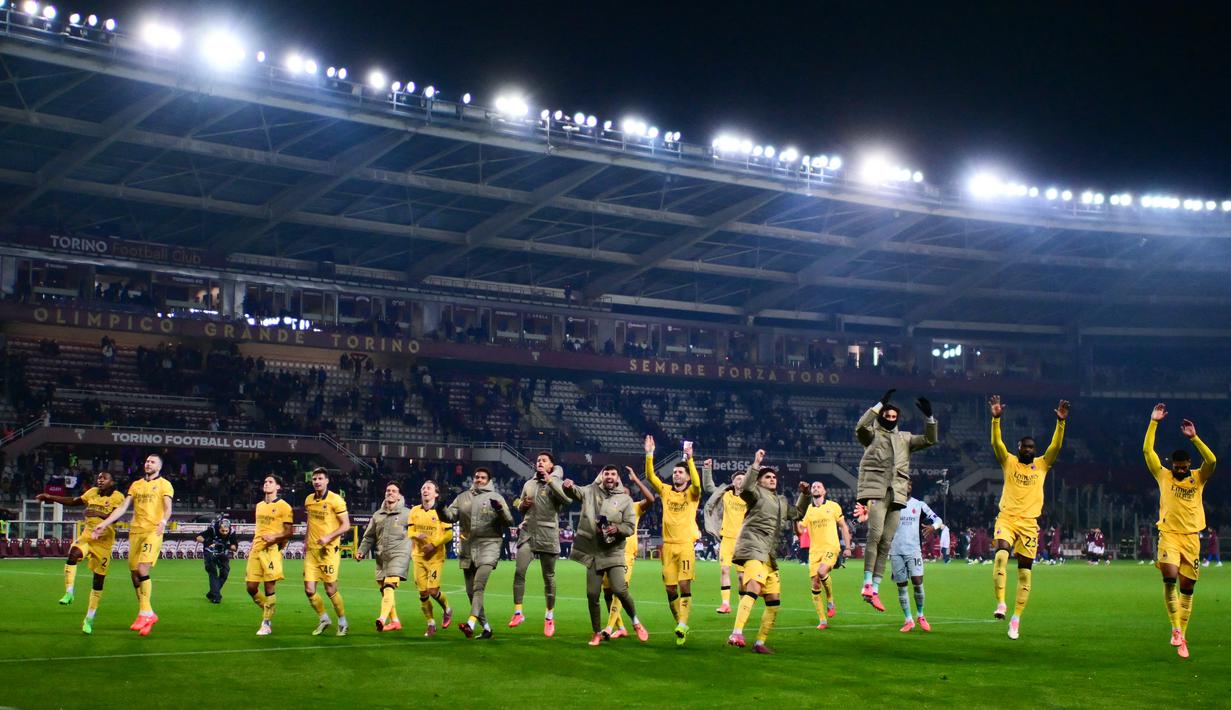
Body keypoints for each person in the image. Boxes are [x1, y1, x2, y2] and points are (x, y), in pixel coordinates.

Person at [989, 395, 1069, 640]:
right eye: (1025, 447)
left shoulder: (1042, 465)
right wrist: (996, 419)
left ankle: (1016, 618)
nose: (1028, 450)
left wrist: (1061, 423)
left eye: (1032, 448)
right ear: (1019, 448)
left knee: (1025, 572)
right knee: (1001, 554)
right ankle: (1001, 604)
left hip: (1029, 524)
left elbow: (1055, 448)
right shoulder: (1009, 462)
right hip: (1007, 518)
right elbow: (997, 444)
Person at [853, 389, 938, 611]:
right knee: (875, 535)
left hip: (897, 494)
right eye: (887, 416)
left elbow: (930, 439)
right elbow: (860, 427)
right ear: (881, 416)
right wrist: (879, 403)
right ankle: (866, 583)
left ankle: (875, 589)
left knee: (887, 542)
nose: (890, 419)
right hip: (877, 491)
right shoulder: (871, 435)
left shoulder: (905, 438)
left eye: (894, 417)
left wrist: (929, 418)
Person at [1144, 403, 1216, 659]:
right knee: (1169, 577)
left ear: (1189, 465)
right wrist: (1154, 423)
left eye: (1185, 466)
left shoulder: (1198, 477)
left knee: (1187, 589)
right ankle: (1175, 629)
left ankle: (1182, 635)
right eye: (1178, 466)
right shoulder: (1163, 476)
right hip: (1169, 536)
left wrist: (1195, 438)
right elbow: (1147, 451)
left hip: (1191, 539)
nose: (1181, 469)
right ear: (1172, 464)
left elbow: (1212, 460)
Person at [726, 450, 808, 654]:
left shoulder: (780, 500)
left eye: (774, 477)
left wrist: (804, 495)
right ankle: (736, 632)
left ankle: (760, 643)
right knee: (753, 586)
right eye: (767, 477)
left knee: (774, 602)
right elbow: (744, 487)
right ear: (760, 482)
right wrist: (755, 464)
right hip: (753, 547)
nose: (772, 479)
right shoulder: (754, 494)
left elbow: (797, 513)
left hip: (769, 554)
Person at [90, 453, 174, 636]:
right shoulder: (136, 485)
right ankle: (147, 613)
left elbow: (168, 507)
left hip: (153, 531)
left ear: (159, 467)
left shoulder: (164, 484)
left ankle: (145, 613)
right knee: (135, 574)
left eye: (152, 462)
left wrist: (163, 522)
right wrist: (104, 524)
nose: (148, 464)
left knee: (143, 569)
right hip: (135, 532)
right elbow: (122, 508)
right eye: (146, 461)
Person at [562, 465, 648, 646]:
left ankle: (635, 622)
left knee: (619, 589)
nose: (609, 476)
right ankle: (596, 632)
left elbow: (630, 526)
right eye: (606, 473)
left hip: (614, 551)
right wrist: (568, 486)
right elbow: (576, 492)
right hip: (594, 552)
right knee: (592, 594)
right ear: (601, 476)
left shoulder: (625, 499)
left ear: (617, 478)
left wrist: (617, 529)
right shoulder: (591, 491)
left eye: (613, 474)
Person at [36, 470, 125, 634]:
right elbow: (73, 501)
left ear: (112, 482)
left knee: (98, 583)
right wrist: (50, 497)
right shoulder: (92, 492)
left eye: (104, 478)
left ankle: (89, 620)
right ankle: (69, 592)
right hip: (87, 537)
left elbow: (117, 517)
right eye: (98, 477)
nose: (100, 480)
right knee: (73, 555)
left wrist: (98, 513)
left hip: (104, 544)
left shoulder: (118, 497)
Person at [438, 467, 514, 638]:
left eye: (483, 477)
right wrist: (441, 508)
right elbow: (450, 517)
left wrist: (500, 509)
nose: (479, 479)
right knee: (471, 592)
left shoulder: (496, 497)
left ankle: (470, 624)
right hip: (467, 547)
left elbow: (509, 521)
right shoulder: (463, 497)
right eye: (477, 477)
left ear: (489, 480)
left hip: (490, 545)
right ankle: (486, 628)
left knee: (478, 586)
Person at [644, 435, 702, 645]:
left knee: (684, 584)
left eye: (680, 472)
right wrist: (649, 454)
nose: (676, 474)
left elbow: (697, 482)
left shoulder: (693, 494)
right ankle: (681, 623)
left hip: (685, 545)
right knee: (670, 588)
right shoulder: (666, 491)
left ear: (686, 476)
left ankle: (683, 623)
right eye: (675, 472)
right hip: (667, 547)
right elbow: (651, 476)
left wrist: (690, 460)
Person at [509, 452, 569, 636]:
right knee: (519, 571)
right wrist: (522, 505)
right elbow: (520, 506)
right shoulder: (528, 484)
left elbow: (566, 501)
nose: (540, 462)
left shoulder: (556, 482)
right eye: (538, 460)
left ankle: (549, 616)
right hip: (528, 533)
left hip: (548, 534)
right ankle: (518, 612)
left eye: (544, 460)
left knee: (548, 577)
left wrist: (551, 480)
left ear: (551, 465)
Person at [603, 465, 656, 639]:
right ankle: (621, 627)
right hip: (608, 553)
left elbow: (650, 499)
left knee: (620, 589)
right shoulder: (609, 507)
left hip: (626, 555)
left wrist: (636, 481)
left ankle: (609, 628)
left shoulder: (634, 507)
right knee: (607, 592)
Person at [356, 481, 412, 632]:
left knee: (389, 586)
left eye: (394, 491)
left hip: (399, 555)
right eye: (388, 490)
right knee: (385, 590)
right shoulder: (377, 515)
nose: (390, 493)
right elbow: (369, 537)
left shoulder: (408, 514)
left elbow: (417, 532)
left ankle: (381, 618)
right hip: (382, 556)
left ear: (399, 495)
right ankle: (395, 621)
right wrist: (361, 550)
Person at [303, 467, 351, 636]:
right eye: (314, 478)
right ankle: (324, 618)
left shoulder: (336, 500)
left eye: (320, 478)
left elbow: (346, 525)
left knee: (330, 589)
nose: (317, 481)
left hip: (329, 550)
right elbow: (310, 521)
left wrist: (328, 537)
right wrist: (305, 541)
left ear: (327, 481)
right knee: (309, 589)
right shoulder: (309, 499)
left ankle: (343, 621)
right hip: (312, 550)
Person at [246, 475, 294, 636]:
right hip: (256, 550)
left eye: (270, 482)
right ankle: (269, 608)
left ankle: (266, 623)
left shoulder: (284, 507)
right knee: (251, 587)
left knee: (269, 587)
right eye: (265, 482)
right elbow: (259, 528)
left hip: (271, 551)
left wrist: (274, 538)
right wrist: (253, 546)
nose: (266, 484)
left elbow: (289, 531)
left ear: (278, 487)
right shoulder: (259, 505)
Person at [800, 481, 852, 629]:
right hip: (814, 551)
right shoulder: (809, 510)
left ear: (824, 491)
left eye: (819, 487)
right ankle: (822, 620)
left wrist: (847, 547)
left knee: (822, 572)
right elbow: (801, 527)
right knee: (815, 583)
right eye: (814, 487)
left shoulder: (833, 506)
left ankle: (830, 599)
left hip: (831, 547)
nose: (816, 488)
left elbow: (843, 526)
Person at [889, 496, 943, 632]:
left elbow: (938, 520)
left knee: (918, 583)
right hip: (896, 550)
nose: (906, 486)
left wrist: (933, 527)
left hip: (913, 550)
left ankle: (920, 615)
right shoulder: (891, 504)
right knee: (901, 586)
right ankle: (908, 620)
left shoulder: (919, 505)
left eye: (909, 484)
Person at [408, 480, 453, 637]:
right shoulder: (414, 511)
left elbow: (449, 534)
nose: (425, 490)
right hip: (418, 557)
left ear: (436, 493)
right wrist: (416, 535)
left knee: (433, 590)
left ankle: (447, 608)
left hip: (435, 557)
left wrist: (433, 545)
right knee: (423, 594)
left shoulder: (441, 511)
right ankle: (431, 624)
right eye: (423, 487)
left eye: (429, 488)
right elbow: (409, 532)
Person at [702, 460, 746, 614]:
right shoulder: (726, 495)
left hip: (743, 542)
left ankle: (743, 604)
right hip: (727, 539)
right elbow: (708, 488)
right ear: (733, 482)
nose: (740, 481)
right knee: (724, 570)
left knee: (742, 577)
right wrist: (707, 469)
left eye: (743, 478)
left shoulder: (750, 497)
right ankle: (725, 603)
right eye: (738, 479)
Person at [196, 514, 239, 603]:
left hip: (222, 553)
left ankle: (212, 593)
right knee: (213, 572)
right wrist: (207, 542)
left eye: (226, 531)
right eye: (222, 530)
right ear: (218, 528)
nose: (224, 532)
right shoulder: (212, 529)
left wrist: (225, 545)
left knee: (225, 572)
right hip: (209, 552)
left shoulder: (232, 532)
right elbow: (198, 537)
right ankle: (216, 597)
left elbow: (234, 547)